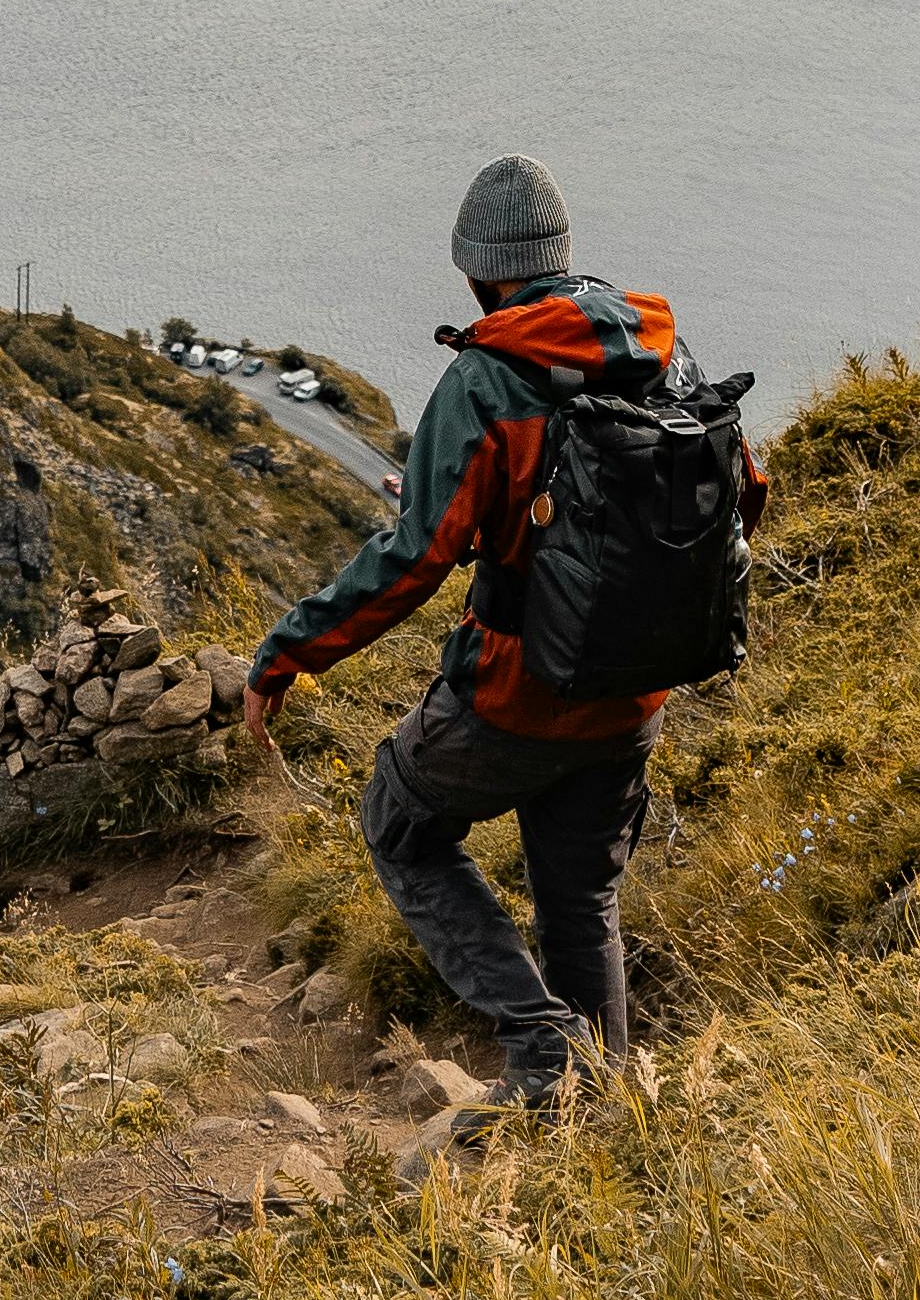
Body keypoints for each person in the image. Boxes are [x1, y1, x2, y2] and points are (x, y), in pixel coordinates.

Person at [242, 152, 759, 1109]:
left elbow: (412, 560)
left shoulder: (486, 378)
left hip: (516, 694)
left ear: (479, 271)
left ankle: (538, 1038)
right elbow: (739, 496)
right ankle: (597, 1124)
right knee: (583, 901)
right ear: (562, 255)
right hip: (634, 693)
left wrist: (286, 655)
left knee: (400, 821)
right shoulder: (663, 351)